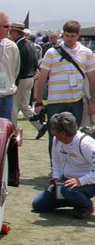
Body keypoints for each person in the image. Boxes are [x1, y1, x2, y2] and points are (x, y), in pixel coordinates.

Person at [34, 20, 95, 160]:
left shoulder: (86, 53)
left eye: (72, 36)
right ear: (63, 35)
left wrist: (93, 101)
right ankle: (55, 168)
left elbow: (92, 79)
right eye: (67, 35)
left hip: (76, 101)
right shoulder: (51, 52)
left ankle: (70, 166)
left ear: (78, 35)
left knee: (73, 136)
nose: (69, 39)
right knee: (54, 136)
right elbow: (42, 78)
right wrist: (38, 102)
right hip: (55, 101)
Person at [32, 112, 95, 219]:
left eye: (53, 129)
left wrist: (81, 181)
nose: (51, 132)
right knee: (39, 205)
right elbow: (56, 161)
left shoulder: (86, 144)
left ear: (63, 133)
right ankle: (73, 199)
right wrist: (56, 177)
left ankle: (85, 206)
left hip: (88, 183)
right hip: (66, 182)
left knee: (68, 190)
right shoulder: (57, 140)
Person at [9, 22, 40, 128]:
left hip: (21, 79)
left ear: (15, 33)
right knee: (25, 105)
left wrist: (15, 83)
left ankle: (12, 129)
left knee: (14, 105)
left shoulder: (18, 46)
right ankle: (40, 125)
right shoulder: (30, 44)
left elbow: (18, 67)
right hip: (30, 78)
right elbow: (36, 61)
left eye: (11, 32)